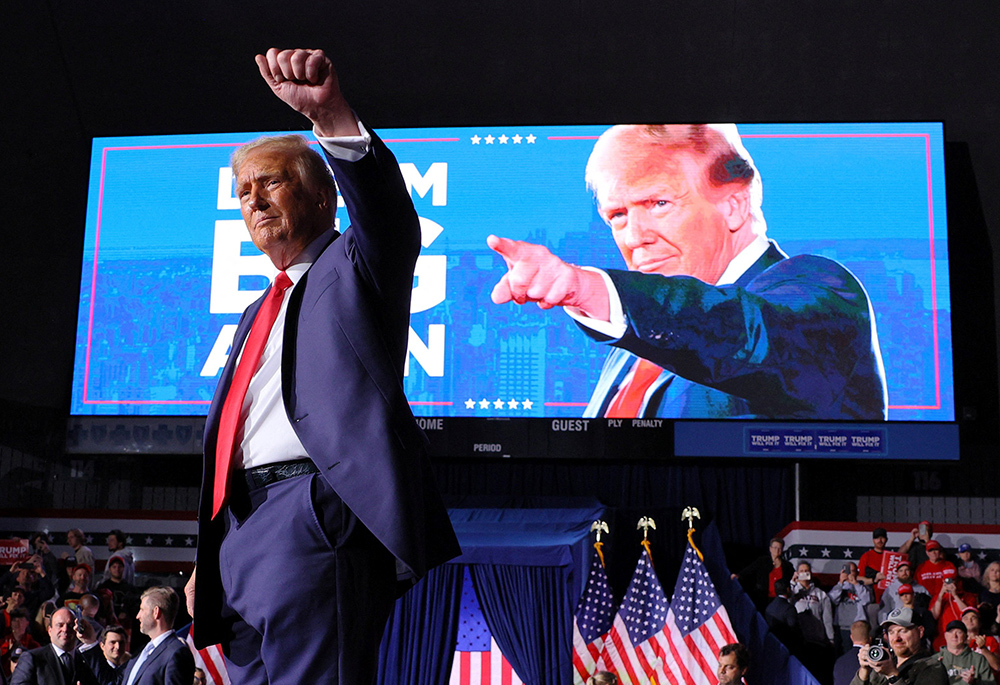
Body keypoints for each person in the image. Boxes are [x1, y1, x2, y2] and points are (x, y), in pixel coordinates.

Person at [187, 47, 460, 685]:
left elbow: (388, 218)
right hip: (243, 528)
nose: (253, 201)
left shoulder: (356, 267)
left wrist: (332, 117)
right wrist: (219, 544)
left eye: (271, 182)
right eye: (243, 192)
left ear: (319, 199)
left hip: (312, 507)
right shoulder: (259, 309)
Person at [487, 123, 887, 420]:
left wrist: (586, 288)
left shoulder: (819, 289)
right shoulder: (634, 341)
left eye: (659, 203)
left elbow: (745, 334)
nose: (635, 237)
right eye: (618, 215)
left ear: (734, 206)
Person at [851, 607, 948, 684]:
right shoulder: (884, 665)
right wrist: (864, 671)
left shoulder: (932, 667)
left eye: (903, 631)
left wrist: (892, 675)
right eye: (891, 632)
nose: (896, 638)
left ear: (920, 632)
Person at [119, 588, 192, 685]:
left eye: (142, 609)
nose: (138, 616)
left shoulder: (176, 652)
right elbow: (114, 679)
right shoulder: (142, 651)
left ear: (156, 612)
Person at [10, 607, 99, 685]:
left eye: (70, 625)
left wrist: (91, 641)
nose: (65, 629)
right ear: (49, 630)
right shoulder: (32, 658)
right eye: (60, 625)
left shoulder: (86, 660)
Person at [735, 537, 794, 610]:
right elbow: (750, 570)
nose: (777, 550)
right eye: (775, 547)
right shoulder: (763, 561)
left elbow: (792, 578)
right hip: (763, 598)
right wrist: (738, 575)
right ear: (770, 549)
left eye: (779, 548)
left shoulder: (787, 565)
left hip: (780, 599)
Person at [831, 563, 874, 653]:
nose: (849, 574)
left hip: (859, 626)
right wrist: (840, 583)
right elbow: (832, 600)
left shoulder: (862, 586)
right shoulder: (839, 586)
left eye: (853, 571)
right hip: (843, 626)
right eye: (847, 571)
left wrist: (856, 583)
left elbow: (867, 600)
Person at [938, 620, 994, 684]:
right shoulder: (935, 660)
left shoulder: (979, 659)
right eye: (951, 632)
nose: (954, 635)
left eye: (959, 632)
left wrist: (974, 682)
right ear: (945, 635)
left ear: (966, 637)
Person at [859, 528, 890, 604]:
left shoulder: (891, 556)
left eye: (882, 537)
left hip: (890, 597)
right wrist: (874, 579)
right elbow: (859, 578)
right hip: (872, 599)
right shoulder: (866, 556)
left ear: (886, 540)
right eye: (877, 538)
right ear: (873, 540)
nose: (879, 540)